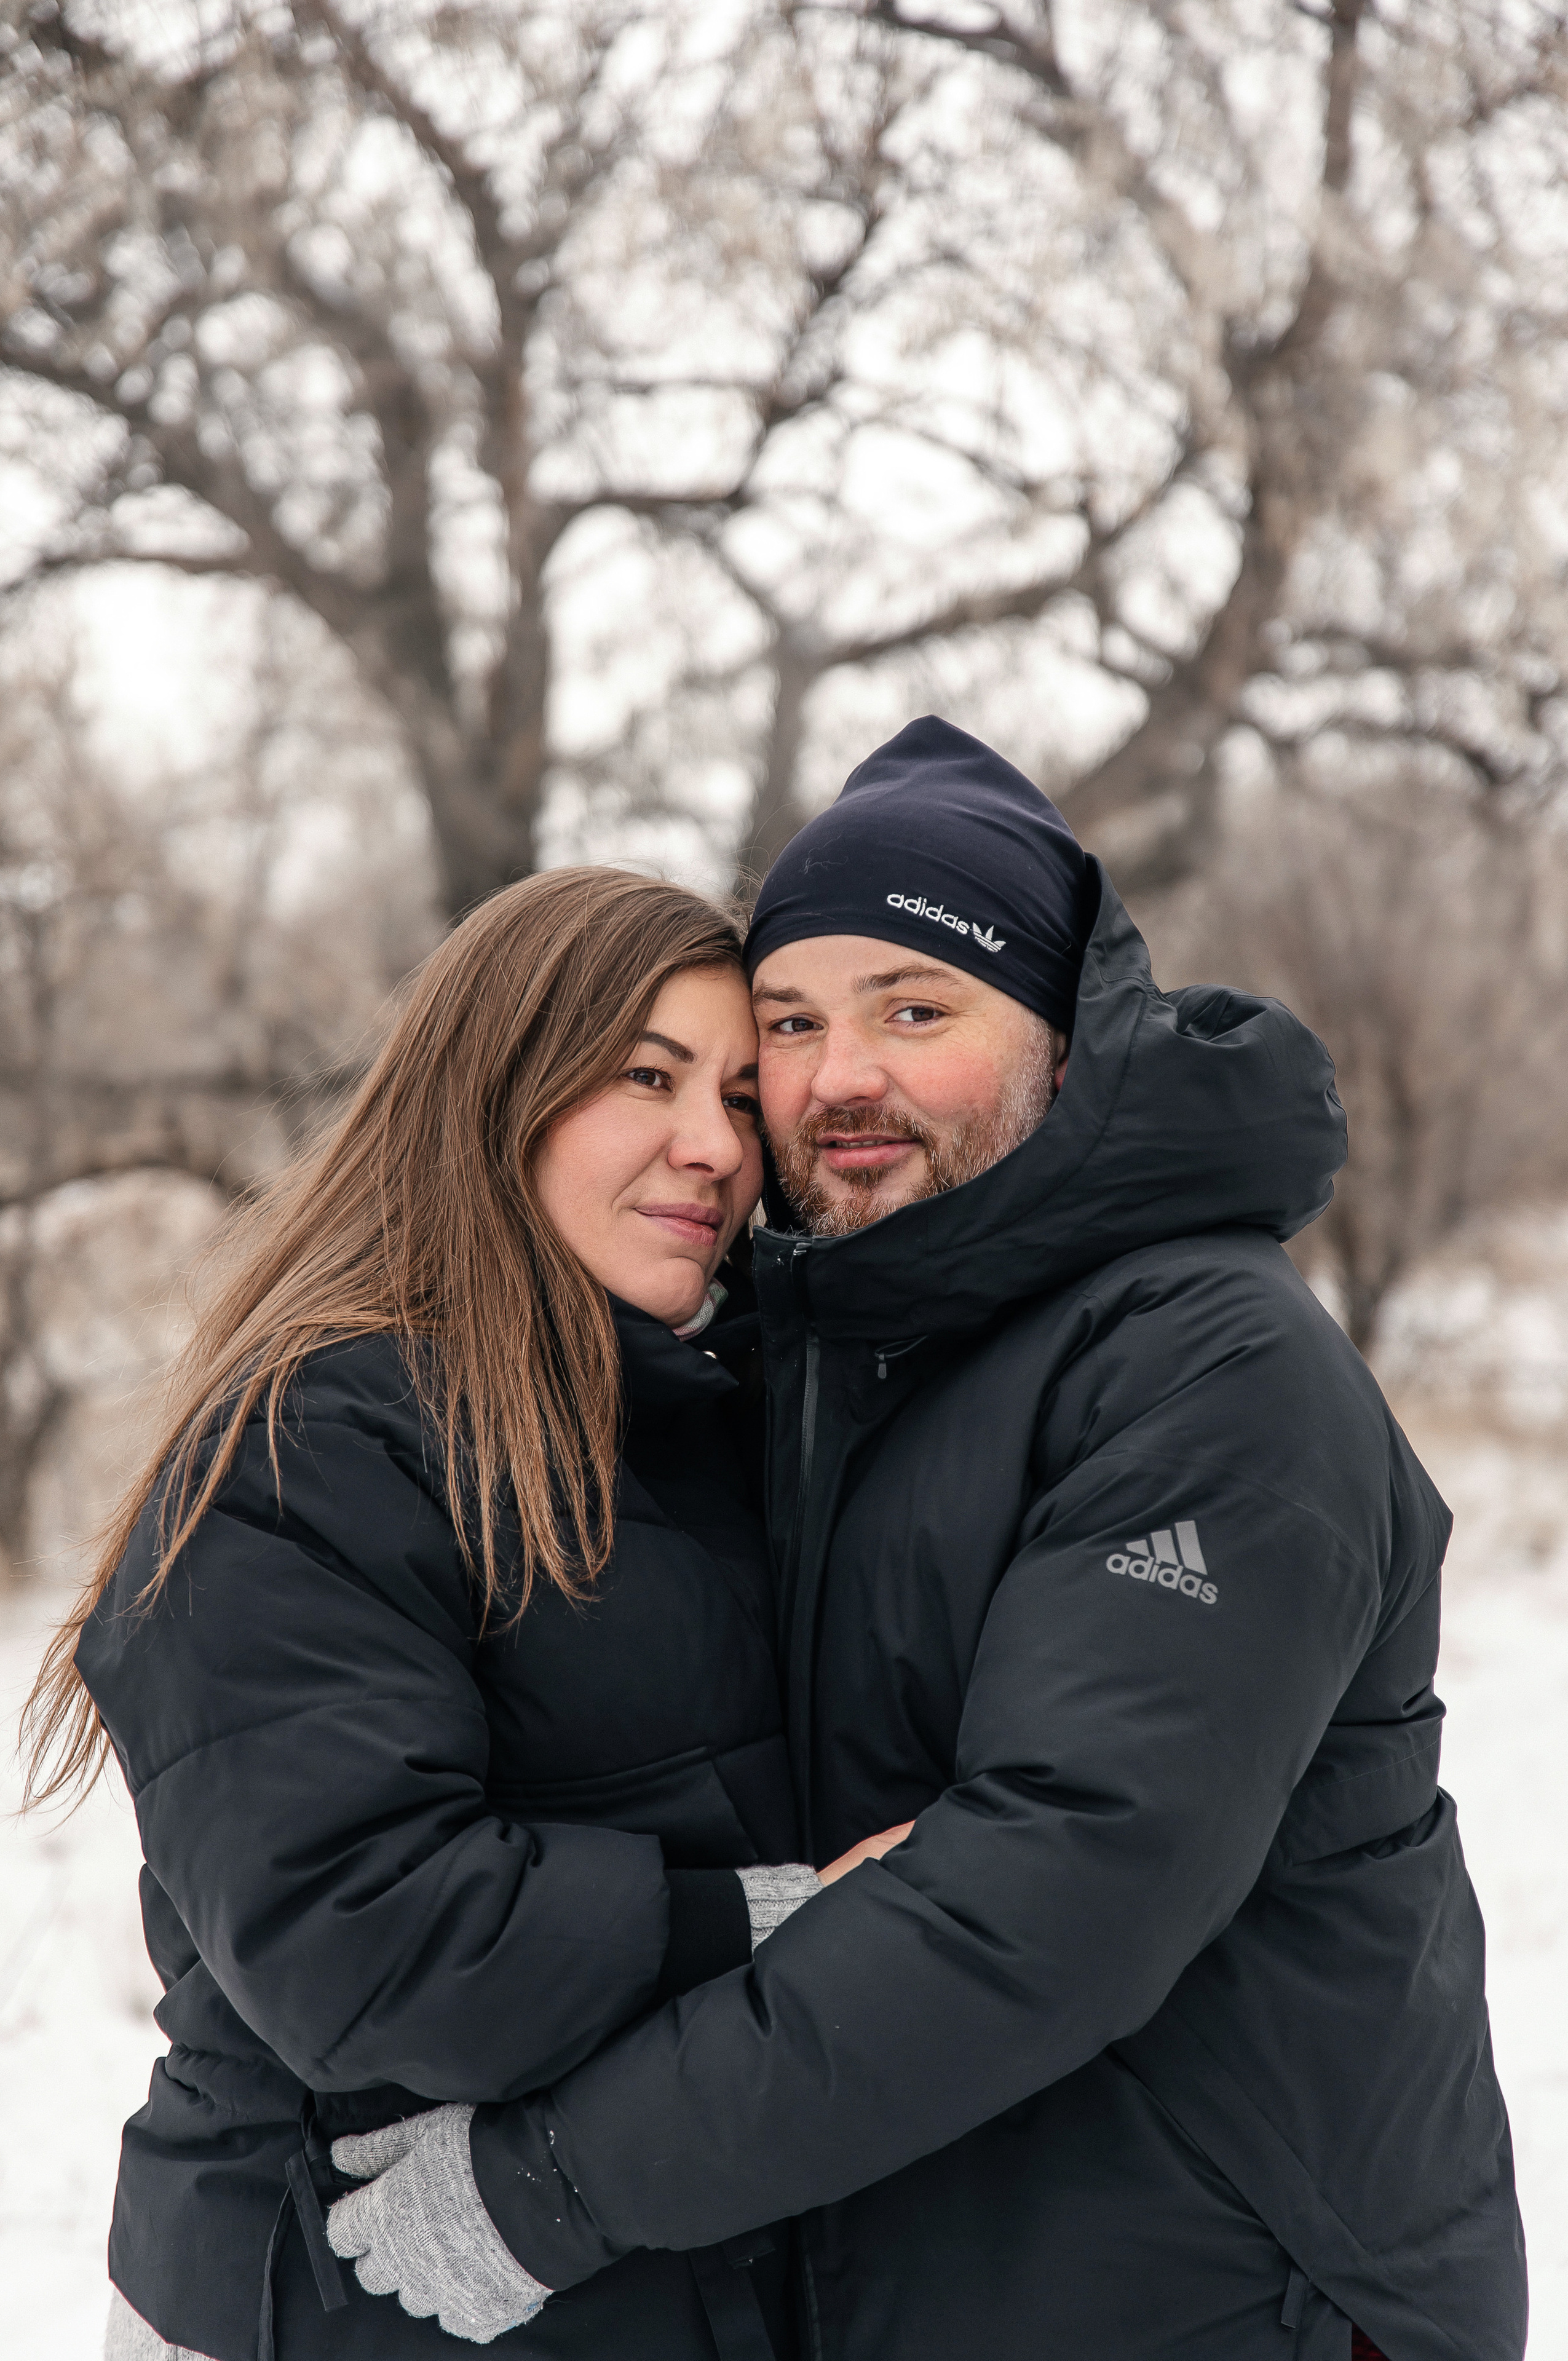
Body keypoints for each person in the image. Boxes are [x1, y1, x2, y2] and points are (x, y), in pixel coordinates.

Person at [332, 719, 1527, 2361]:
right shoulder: (818, 1352)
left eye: (916, 1009)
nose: (840, 1079)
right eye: (792, 1027)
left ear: (1056, 1031)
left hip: (1244, 2288)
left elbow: (1049, 1896)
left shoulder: (1210, 1369)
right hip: (956, 2261)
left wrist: (560, 2186)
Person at [25, 867, 864, 2361]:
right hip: (326, 2291)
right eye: (646, 1077)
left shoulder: (695, 1420)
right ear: (498, 1091)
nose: (714, 1148)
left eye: (742, 1096)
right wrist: (791, 1923)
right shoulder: (313, 1444)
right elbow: (364, 1941)